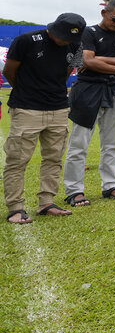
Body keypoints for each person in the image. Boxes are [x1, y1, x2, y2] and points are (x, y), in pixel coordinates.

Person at [3, 13, 86, 223]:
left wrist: (50, 92)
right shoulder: (26, 40)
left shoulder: (75, 45)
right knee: (18, 159)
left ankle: (46, 202)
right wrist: (27, 91)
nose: (66, 42)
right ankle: (15, 208)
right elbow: (9, 71)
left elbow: (67, 72)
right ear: (53, 29)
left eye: (70, 39)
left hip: (58, 107)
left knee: (54, 158)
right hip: (26, 107)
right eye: (63, 37)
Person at [64, 2, 115, 207]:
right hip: (88, 91)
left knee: (112, 144)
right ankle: (74, 190)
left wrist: (99, 60)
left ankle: (110, 185)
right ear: (104, 13)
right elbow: (86, 61)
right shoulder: (88, 32)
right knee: (78, 144)